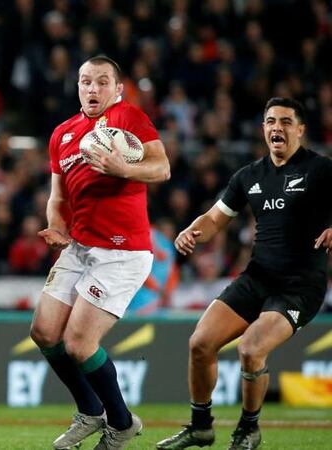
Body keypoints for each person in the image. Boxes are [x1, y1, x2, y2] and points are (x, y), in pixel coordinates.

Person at [157, 97, 332, 450]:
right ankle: (201, 426)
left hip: (300, 287)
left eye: (285, 121)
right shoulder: (249, 176)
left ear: (300, 130)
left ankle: (248, 429)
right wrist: (192, 230)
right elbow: (215, 219)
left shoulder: (321, 170)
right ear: (263, 129)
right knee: (200, 343)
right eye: (270, 122)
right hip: (258, 278)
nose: (277, 128)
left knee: (251, 349)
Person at [30, 55, 170, 450]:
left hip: (123, 252)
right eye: (86, 81)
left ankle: (122, 423)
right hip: (79, 246)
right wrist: (57, 227)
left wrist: (124, 169)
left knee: (78, 343)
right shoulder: (62, 133)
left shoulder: (130, 118)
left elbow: (161, 168)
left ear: (118, 89)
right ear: (77, 86)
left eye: (102, 82)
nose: (93, 89)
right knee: (43, 332)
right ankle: (91, 411)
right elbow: (57, 196)